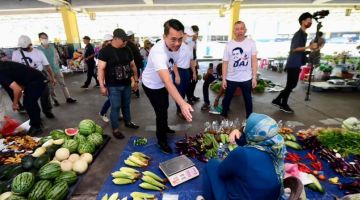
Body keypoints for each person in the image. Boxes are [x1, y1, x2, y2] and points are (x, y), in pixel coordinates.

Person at [202, 113, 286, 200]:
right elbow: (251, 143)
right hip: (270, 196)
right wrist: (238, 133)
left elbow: (222, 173)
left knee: (212, 164)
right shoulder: (278, 146)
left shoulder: (242, 153)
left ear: (250, 134)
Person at [142, 19, 193, 154]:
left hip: (163, 82)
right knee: (161, 111)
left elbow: (173, 62)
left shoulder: (178, 46)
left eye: (180, 39)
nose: (177, 44)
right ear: (164, 37)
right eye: (173, 39)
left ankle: (164, 127)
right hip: (152, 85)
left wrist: (176, 74)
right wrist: (182, 103)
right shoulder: (158, 52)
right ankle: (161, 140)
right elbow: (166, 82)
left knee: (164, 106)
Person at [98, 28, 140, 139]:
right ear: (115, 39)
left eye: (126, 40)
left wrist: (136, 80)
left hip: (126, 84)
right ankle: (115, 129)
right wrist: (102, 86)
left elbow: (133, 66)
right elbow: (101, 69)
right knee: (115, 107)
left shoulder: (127, 49)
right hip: (113, 86)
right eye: (123, 40)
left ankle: (128, 122)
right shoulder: (105, 51)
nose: (125, 42)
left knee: (126, 105)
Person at [272, 12, 315, 113]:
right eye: (309, 21)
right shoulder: (299, 34)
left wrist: (307, 50)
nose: (310, 22)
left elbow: (299, 49)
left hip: (296, 63)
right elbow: (294, 49)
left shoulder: (303, 34)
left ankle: (279, 101)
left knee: (291, 85)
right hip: (293, 63)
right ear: (303, 21)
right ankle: (282, 103)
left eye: (311, 21)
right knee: (291, 85)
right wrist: (308, 47)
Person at [12, 35, 56, 119]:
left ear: (30, 44)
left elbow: (47, 66)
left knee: (45, 96)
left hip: (40, 77)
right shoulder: (16, 54)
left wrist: (52, 77)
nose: (24, 49)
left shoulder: (38, 52)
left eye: (26, 47)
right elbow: (14, 68)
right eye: (23, 48)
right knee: (31, 98)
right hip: (26, 80)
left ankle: (47, 111)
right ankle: (36, 115)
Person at [221, 21, 258, 119]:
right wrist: (224, 79)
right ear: (233, 31)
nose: (239, 31)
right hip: (231, 78)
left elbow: (254, 60)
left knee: (248, 100)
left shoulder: (251, 43)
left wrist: (254, 77)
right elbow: (225, 62)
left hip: (246, 78)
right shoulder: (229, 45)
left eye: (242, 28)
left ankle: (249, 119)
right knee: (227, 99)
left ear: (245, 30)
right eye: (237, 29)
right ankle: (223, 116)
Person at [0, 61, 48, 135]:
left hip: (37, 80)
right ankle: (36, 121)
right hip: (32, 80)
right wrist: (15, 101)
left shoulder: (1, 72)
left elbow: (17, 89)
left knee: (29, 103)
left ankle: (37, 127)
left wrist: (15, 103)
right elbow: (15, 87)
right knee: (30, 102)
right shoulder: (3, 66)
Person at [37, 32, 77, 106]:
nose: (44, 39)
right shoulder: (38, 49)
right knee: (51, 87)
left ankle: (68, 98)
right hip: (47, 71)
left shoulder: (52, 46)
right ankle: (55, 100)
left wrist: (59, 66)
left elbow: (57, 56)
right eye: (42, 38)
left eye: (45, 37)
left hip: (56, 69)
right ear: (40, 39)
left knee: (63, 83)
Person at [172, 26, 196, 119]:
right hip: (178, 71)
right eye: (189, 35)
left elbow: (191, 61)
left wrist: (193, 72)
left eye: (191, 35)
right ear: (183, 34)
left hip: (186, 71)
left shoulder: (189, 46)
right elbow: (173, 62)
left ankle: (183, 108)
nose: (190, 37)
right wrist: (177, 75)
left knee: (185, 90)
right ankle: (180, 110)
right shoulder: (177, 46)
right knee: (179, 92)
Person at [185, 25, 200, 104]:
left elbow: (194, 54)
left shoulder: (195, 42)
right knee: (189, 82)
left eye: (197, 33)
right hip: (188, 66)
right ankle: (189, 98)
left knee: (195, 80)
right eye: (195, 33)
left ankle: (192, 95)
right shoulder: (187, 42)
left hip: (194, 64)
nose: (197, 35)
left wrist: (197, 62)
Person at [126, 31, 143, 98]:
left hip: (136, 64)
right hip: (134, 65)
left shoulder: (130, 43)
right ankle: (135, 90)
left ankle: (135, 90)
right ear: (131, 36)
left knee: (134, 78)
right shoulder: (128, 44)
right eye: (133, 35)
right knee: (133, 78)